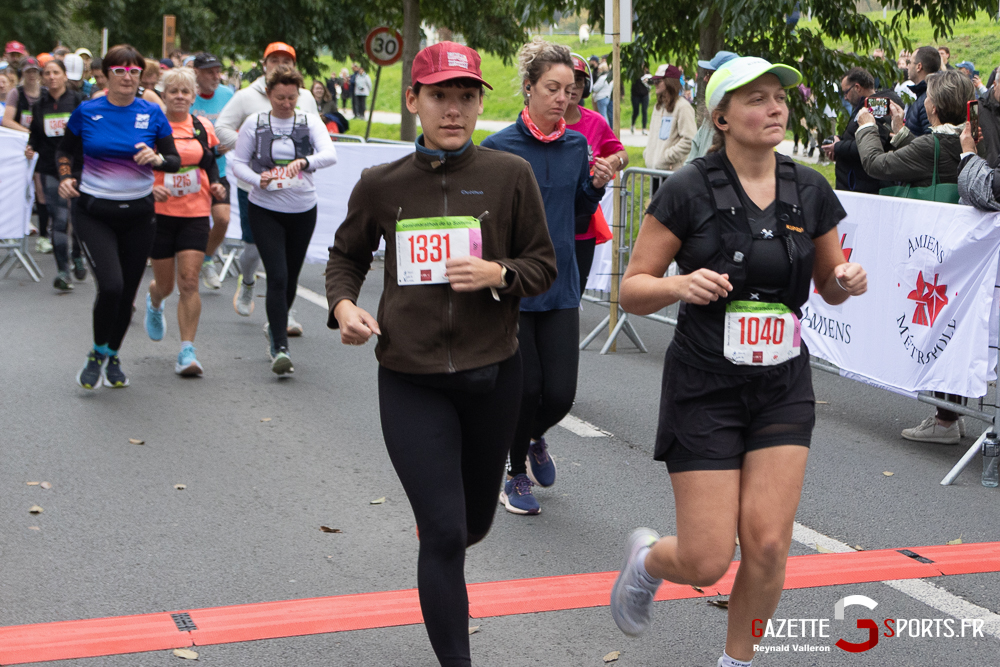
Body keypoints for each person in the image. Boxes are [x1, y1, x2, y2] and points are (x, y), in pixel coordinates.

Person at [609, 56, 867, 667]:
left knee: (770, 543)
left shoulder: (810, 188)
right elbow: (632, 289)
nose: (774, 108)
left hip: (781, 383)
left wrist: (847, 280)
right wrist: (679, 286)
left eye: (779, 97)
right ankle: (648, 562)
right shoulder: (687, 189)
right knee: (705, 560)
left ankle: (737, 662)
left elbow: (829, 283)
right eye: (756, 99)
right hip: (705, 384)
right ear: (721, 117)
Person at [326, 41, 556, 667]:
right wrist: (345, 307)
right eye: (438, 96)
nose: (452, 110)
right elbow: (346, 257)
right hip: (411, 379)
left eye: (465, 96)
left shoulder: (510, 176)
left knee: (472, 524)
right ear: (414, 102)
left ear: (480, 102)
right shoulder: (382, 184)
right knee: (447, 533)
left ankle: (452, 533)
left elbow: (543, 266)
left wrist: (498, 273)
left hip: (493, 375)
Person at [481, 38, 610, 515]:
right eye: (552, 88)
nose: (563, 97)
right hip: (514, 287)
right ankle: (514, 475)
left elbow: (577, 219)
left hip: (560, 283)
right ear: (529, 89)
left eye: (569, 89)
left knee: (561, 393)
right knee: (527, 386)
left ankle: (535, 436)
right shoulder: (497, 149)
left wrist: (593, 188)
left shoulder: (577, 145)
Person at [857, 70, 976, 445]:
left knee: (933, 327)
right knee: (954, 328)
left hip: (930, 250)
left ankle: (943, 420)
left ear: (933, 105)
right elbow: (932, 155)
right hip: (960, 251)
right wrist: (901, 131)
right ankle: (949, 414)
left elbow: (878, 165)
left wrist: (866, 130)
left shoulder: (932, 146)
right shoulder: (970, 140)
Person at [56, 44, 180, 389]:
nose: (127, 78)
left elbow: (173, 160)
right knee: (110, 285)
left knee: (126, 294)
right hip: (94, 212)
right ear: (107, 75)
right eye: (120, 71)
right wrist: (66, 178)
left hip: (139, 215)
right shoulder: (87, 111)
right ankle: (97, 353)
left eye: (134, 72)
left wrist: (156, 160)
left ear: (141, 76)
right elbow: (66, 150)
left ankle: (112, 353)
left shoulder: (152, 114)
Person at [229, 65, 336, 375]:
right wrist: (257, 179)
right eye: (280, 98)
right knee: (276, 275)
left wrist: (305, 161)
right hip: (264, 208)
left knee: (290, 276)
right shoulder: (255, 123)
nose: (286, 104)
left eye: (291, 98)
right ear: (269, 95)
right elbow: (238, 163)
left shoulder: (309, 121)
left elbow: (330, 154)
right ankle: (280, 347)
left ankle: (275, 326)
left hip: (303, 209)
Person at [214, 41, 319, 330]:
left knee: (287, 261)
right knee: (252, 249)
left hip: (293, 190)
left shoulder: (305, 98)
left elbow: (315, 134)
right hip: (256, 190)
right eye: (274, 59)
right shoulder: (247, 97)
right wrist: (253, 150)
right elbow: (220, 128)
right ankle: (247, 281)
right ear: (264, 64)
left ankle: (286, 314)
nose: (280, 64)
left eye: (287, 60)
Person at [143, 68, 227, 377]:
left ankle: (187, 351)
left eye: (185, 92)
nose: (180, 96)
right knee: (165, 285)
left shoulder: (202, 126)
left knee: (189, 282)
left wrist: (217, 186)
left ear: (193, 97)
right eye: (174, 91)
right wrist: (151, 188)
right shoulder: (152, 126)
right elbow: (136, 165)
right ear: (163, 94)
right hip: (160, 214)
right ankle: (154, 301)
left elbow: (209, 162)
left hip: (195, 212)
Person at [565, 53, 628, 294]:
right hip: (548, 221)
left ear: (587, 87)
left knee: (574, 294)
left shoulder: (596, 122)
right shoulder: (545, 121)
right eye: (568, 82)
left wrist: (612, 162)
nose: (573, 88)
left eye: (579, 82)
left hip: (583, 224)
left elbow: (622, 154)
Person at [25, 58, 86, 291]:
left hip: (79, 167)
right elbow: (35, 138)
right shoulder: (39, 106)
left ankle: (78, 254)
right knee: (58, 219)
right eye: (47, 73)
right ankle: (63, 271)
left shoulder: (79, 101)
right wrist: (31, 148)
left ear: (64, 76)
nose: (51, 77)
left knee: (78, 217)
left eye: (55, 72)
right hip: (51, 169)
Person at [189, 52, 235, 289]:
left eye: (218, 71)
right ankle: (189, 265)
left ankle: (207, 258)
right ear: (196, 73)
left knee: (222, 218)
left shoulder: (228, 95)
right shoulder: (186, 96)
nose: (216, 76)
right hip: (189, 170)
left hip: (218, 169)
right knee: (192, 224)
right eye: (210, 72)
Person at [823, 67, 904, 193]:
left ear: (857, 87)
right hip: (855, 181)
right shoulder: (864, 105)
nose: (845, 97)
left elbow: (872, 144)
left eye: (846, 92)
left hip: (864, 185)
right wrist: (840, 140)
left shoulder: (876, 107)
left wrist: (838, 147)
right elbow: (857, 135)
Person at [3, 58, 50, 253]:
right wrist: (28, 132)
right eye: (28, 71)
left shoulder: (46, 94)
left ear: (39, 73)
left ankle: (44, 235)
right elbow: (6, 120)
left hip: (43, 145)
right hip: (21, 146)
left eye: (34, 71)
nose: (31, 75)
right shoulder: (17, 93)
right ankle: (12, 228)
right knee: (18, 187)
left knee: (40, 189)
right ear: (23, 73)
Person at [687, 52, 738, 165]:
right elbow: (692, 157)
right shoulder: (709, 115)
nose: (705, 78)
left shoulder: (737, 120)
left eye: (710, 74)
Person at [644, 64, 697, 173]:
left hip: (671, 173)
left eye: (658, 81)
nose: (655, 84)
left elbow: (689, 140)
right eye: (654, 81)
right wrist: (648, 154)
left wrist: (666, 157)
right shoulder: (658, 107)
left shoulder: (683, 107)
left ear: (669, 82)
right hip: (655, 172)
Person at [905, 46, 941, 136]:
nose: (907, 66)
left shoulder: (928, 99)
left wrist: (900, 133)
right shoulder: (927, 93)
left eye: (910, 62)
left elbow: (929, 143)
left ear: (919, 66)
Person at [630, 66, 650, 134]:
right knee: (636, 111)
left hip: (645, 95)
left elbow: (651, 82)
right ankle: (632, 124)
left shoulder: (647, 74)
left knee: (644, 111)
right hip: (636, 95)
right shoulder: (635, 73)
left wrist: (648, 80)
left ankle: (644, 128)